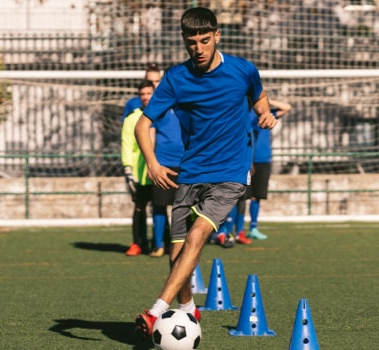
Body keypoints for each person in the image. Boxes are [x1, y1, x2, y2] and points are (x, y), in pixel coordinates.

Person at [133, 7, 277, 340]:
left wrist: (265, 113)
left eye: (204, 40)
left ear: (217, 37)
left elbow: (259, 96)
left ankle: (154, 312)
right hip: (191, 173)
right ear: (184, 40)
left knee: (198, 235)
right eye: (191, 41)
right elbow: (143, 124)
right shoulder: (175, 78)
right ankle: (186, 312)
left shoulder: (243, 70)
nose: (198, 48)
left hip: (230, 173)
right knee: (176, 255)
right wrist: (152, 164)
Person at [246, 99, 292, 240]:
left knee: (257, 196)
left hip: (264, 160)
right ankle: (228, 230)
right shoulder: (248, 115)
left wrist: (269, 101)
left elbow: (287, 107)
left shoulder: (269, 114)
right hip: (248, 160)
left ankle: (253, 227)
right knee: (239, 197)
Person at [121, 80, 156, 256]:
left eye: (148, 93)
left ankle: (161, 243)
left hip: (159, 171)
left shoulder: (163, 114)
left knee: (161, 208)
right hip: (139, 173)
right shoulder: (131, 118)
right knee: (139, 207)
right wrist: (128, 169)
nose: (145, 97)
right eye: (142, 94)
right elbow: (127, 145)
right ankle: (137, 243)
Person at [149, 106, 184, 257]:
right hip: (162, 164)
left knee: (184, 206)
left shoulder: (189, 103)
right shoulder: (160, 106)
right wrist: (151, 164)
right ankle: (159, 245)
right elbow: (150, 134)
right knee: (159, 204)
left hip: (185, 163)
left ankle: (181, 244)